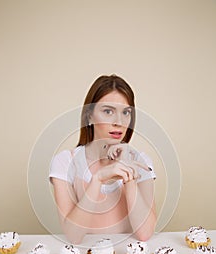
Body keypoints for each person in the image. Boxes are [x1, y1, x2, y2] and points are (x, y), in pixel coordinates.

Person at [49, 74, 156, 244]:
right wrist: (98, 179)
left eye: (126, 112)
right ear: (89, 116)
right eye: (108, 111)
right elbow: (73, 236)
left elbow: (144, 234)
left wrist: (129, 178)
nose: (119, 122)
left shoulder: (141, 162)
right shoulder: (65, 162)